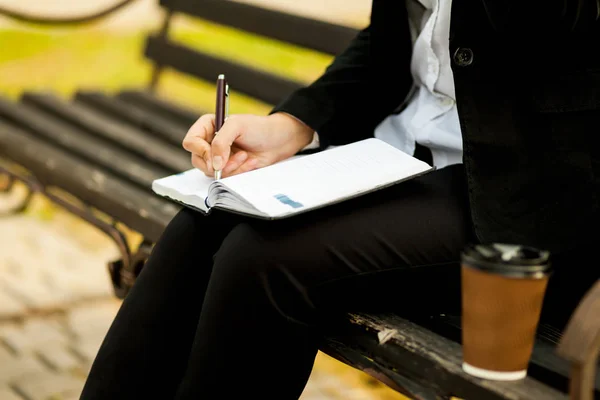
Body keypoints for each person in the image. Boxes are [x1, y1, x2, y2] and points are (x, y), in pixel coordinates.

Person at [80, 0, 599, 399]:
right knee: (200, 224)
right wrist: (290, 125)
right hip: (398, 155)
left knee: (262, 260)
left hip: (523, 193)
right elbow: (391, 40)